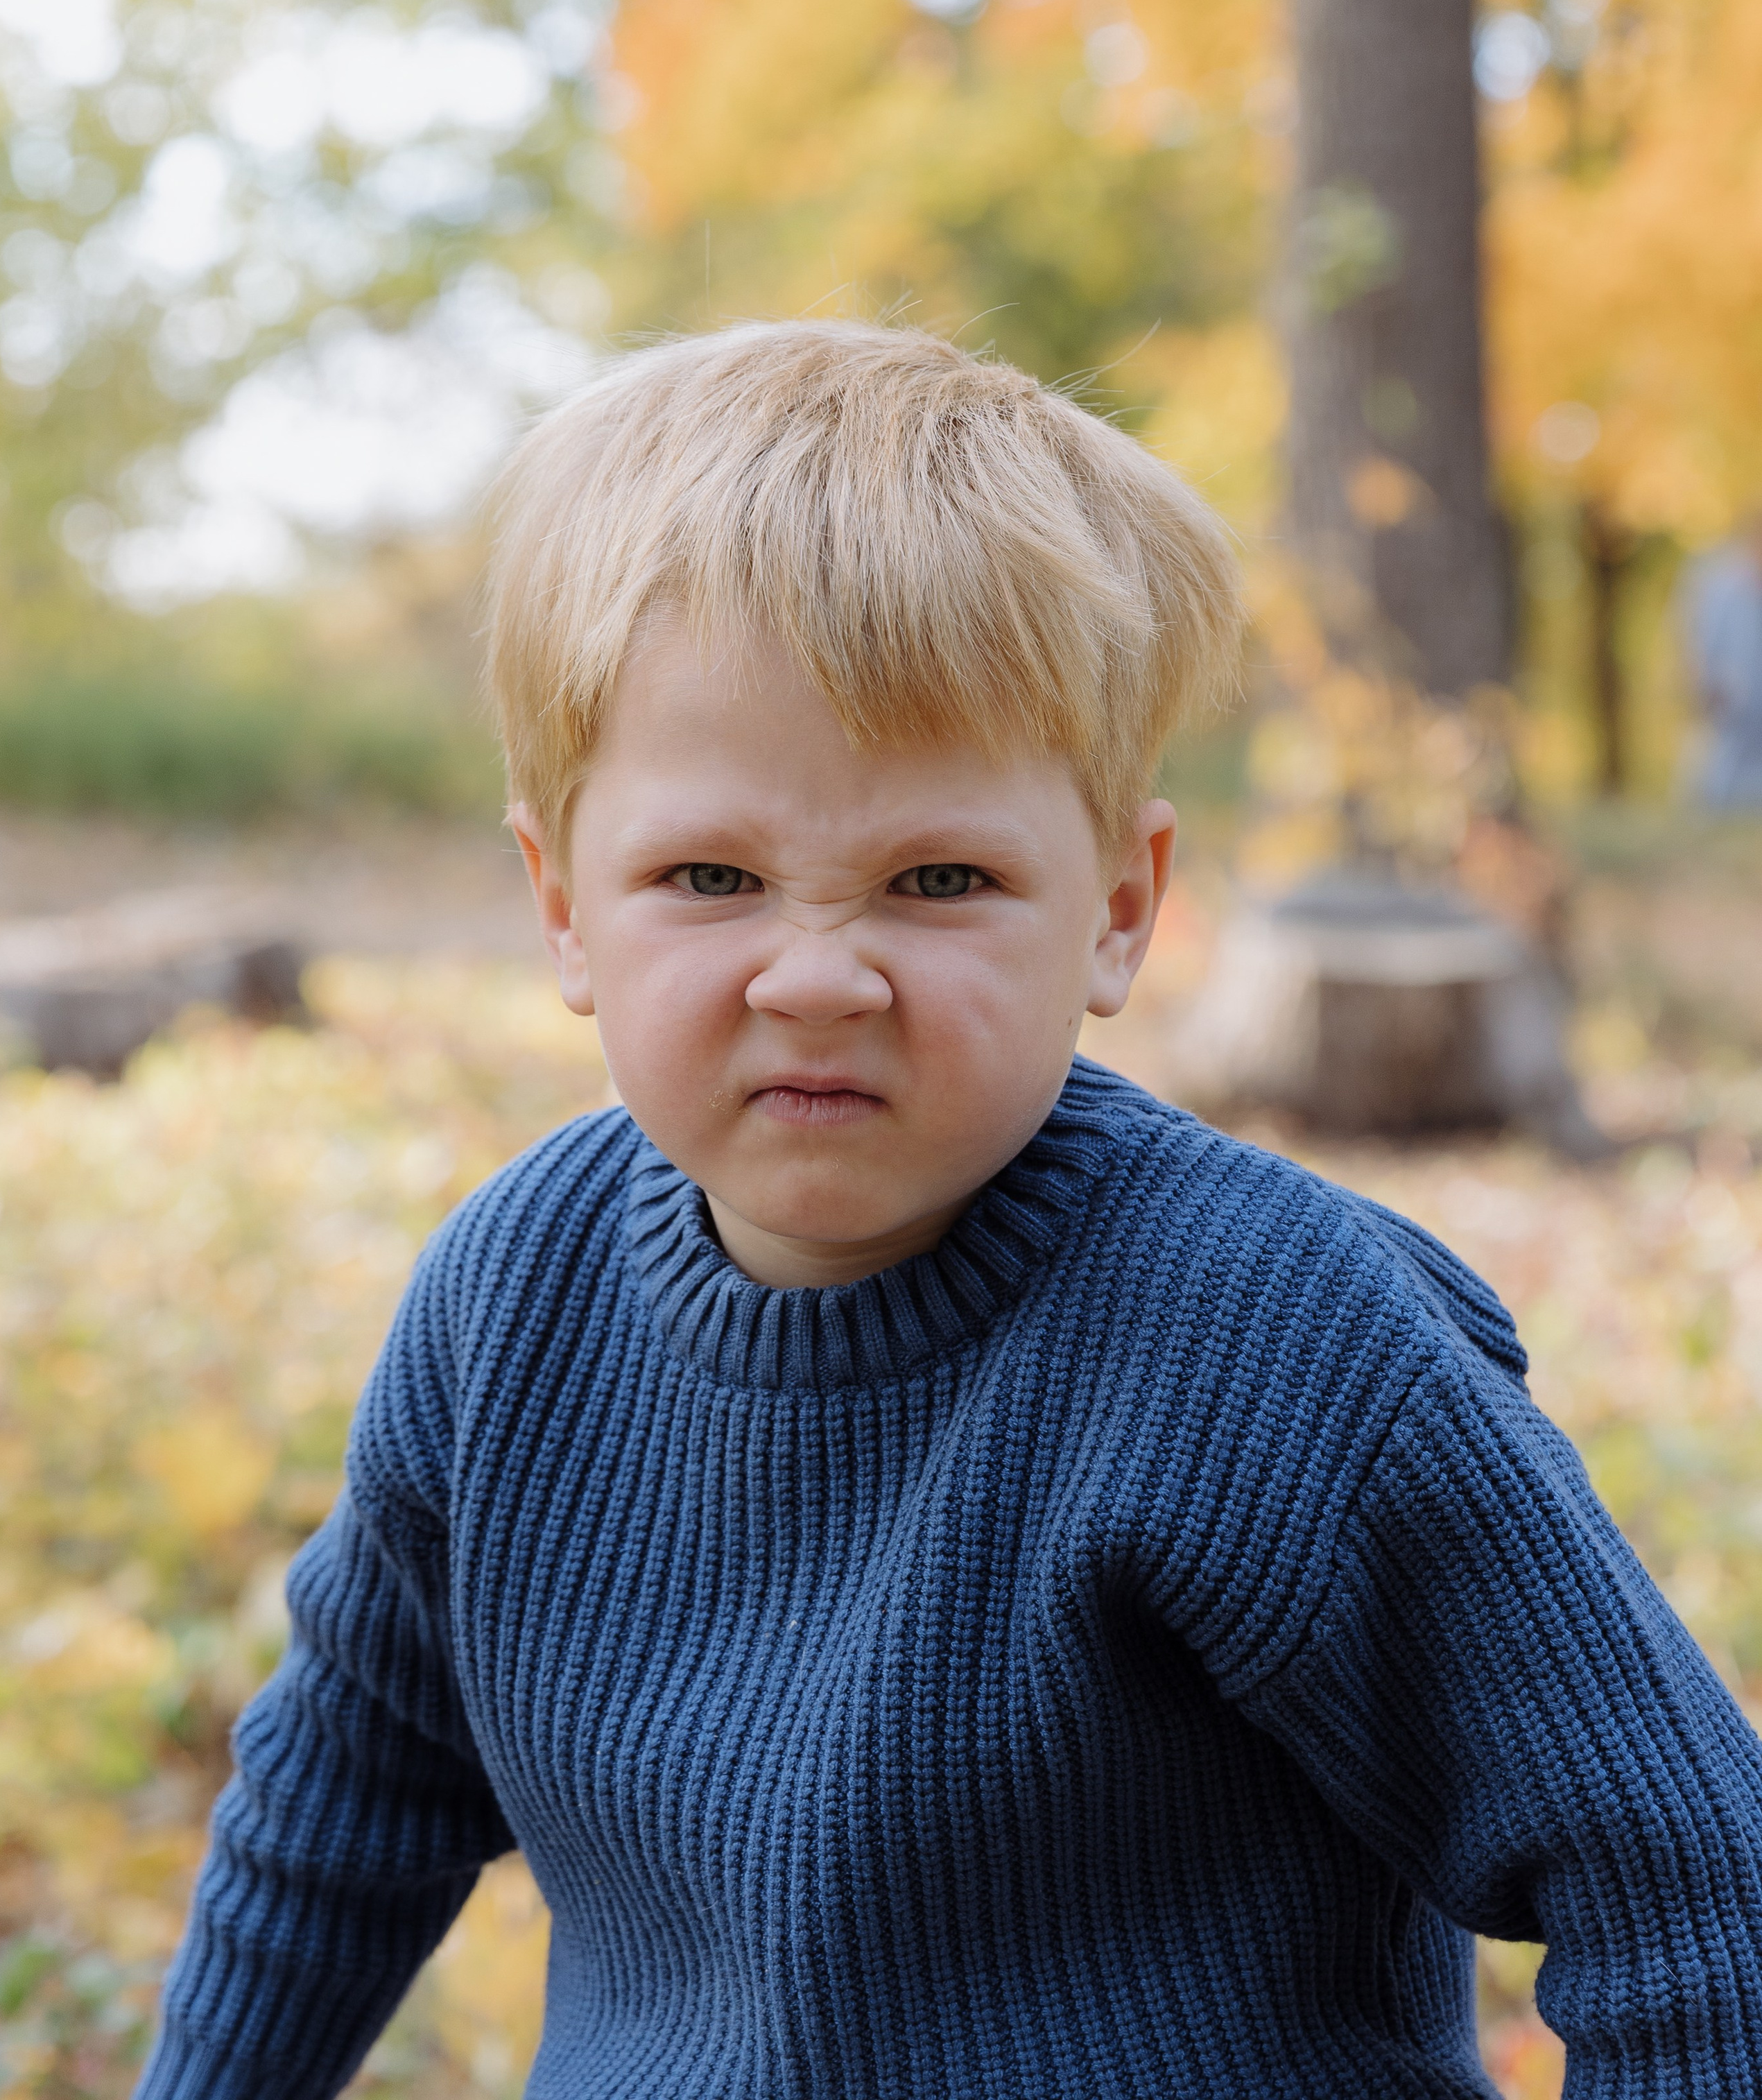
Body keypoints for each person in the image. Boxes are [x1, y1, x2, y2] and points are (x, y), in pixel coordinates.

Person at [137, 323, 1762, 2099]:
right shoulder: (511, 1306)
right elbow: (339, 1803)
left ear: (1117, 908)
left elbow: (1686, 1882)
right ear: (561, 903)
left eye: (937, 878)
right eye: (708, 876)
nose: (817, 973)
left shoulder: (1271, 1341)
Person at [1685, 510, 1762, 809]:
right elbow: (1698, 643)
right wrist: (1702, 683)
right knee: (1722, 774)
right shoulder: (1720, 586)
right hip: (1732, 705)